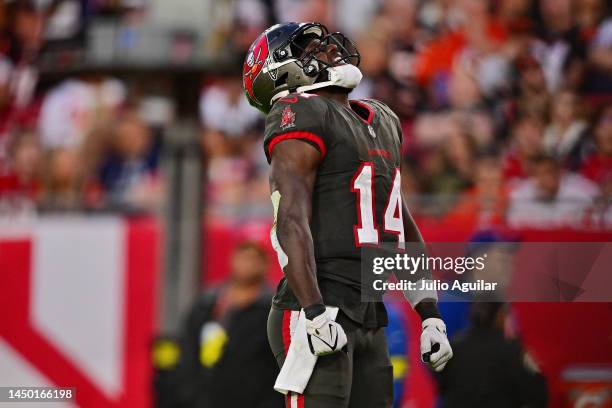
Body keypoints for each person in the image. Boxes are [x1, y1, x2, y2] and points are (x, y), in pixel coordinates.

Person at [242, 22, 453, 407]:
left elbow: (399, 223)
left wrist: (429, 312)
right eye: (310, 48)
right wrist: (314, 311)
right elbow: (289, 219)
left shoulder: (382, 119)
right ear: (281, 69)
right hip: (319, 307)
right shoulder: (298, 111)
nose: (327, 48)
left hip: (371, 311)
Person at [171, 241, 283, 408]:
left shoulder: (272, 310)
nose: (247, 265)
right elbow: (188, 347)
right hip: (207, 395)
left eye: (253, 259)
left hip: (255, 397)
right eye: (242, 258)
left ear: (265, 265)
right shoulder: (208, 303)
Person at [437, 302, 548, 407]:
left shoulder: (452, 346)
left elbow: (439, 385)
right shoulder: (513, 350)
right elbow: (538, 395)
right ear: (500, 314)